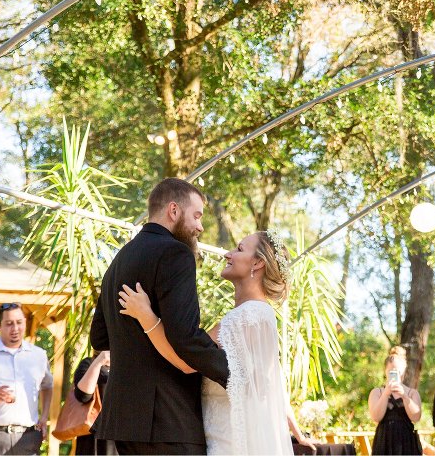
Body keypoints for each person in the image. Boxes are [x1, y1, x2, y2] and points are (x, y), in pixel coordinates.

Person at [119, 230, 298, 455]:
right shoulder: (256, 315)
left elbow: (186, 361)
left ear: (258, 262)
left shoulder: (246, 317)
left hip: (228, 445)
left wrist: (146, 316)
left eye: (239, 249)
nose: (227, 254)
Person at [90, 178, 230, 455]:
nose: (200, 227)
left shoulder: (119, 260)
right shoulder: (175, 253)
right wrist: (233, 373)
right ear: (174, 210)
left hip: (125, 421)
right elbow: (185, 336)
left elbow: (100, 337)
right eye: (197, 215)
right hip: (168, 417)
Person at [0, 303, 53, 455]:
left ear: (25, 322)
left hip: (28, 438)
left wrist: (44, 416)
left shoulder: (39, 355)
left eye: (19, 322)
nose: (15, 328)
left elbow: (47, 386)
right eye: (9, 324)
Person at [367, 346, 422, 456]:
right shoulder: (377, 392)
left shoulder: (412, 393)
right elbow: (376, 417)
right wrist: (386, 394)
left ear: (404, 373)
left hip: (407, 441)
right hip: (384, 441)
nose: (395, 374)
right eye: (392, 371)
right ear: (385, 371)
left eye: (398, 372)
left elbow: (416, 417)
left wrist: (404, 396)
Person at [71, 351, 115, 455]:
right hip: (92, 437)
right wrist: (99, 361)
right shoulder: (89, 363)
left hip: (119, 437)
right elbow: (83, 396)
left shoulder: (126, 365)